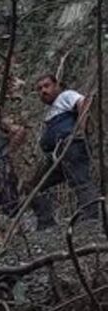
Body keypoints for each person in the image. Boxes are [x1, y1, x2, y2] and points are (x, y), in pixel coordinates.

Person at [29, 75, 100, 229]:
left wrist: (80, 130)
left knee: (80, 180)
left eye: (46, 86)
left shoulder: (66, 96)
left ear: (57, 85)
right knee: (35, 186)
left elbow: (84, 102)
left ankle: (91, 218)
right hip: (56, 156)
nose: (43, 91)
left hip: (71, 147)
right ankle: (46, 223)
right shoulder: (51, 111)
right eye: (39, 89)